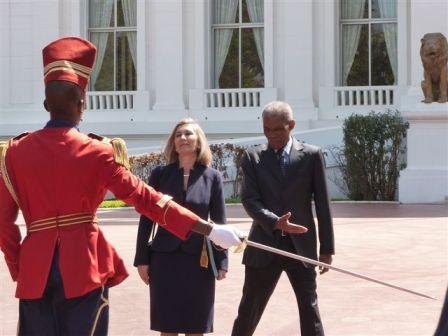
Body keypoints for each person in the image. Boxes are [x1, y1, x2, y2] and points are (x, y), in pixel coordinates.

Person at [0, 37, 242, 336]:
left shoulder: (14, 151)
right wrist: (208, 229)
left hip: (35, 272)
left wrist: (20, 266)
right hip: (84, 268)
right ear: (82, 103)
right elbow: (146, 199)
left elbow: (3, 222)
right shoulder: (98, 151)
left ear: (46, 104)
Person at [231, 101, 335, 336]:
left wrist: (327, 248)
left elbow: (322, 204)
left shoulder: (311, 155)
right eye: (267, 129)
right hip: (264, 244)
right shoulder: (253, 157)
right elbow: (249, 200)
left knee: (310, 310)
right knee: (249, 310)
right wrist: (275, 222)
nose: (272, 135)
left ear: (292, 125)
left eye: (278, 129)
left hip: (301, 247)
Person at [134, 118, 228, 335]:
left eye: (188, 134)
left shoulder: (212, 177)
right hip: (164, 260)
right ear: (173, 143)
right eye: (178, 135)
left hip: (199, 260)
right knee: (167, 325)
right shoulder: (160, 174)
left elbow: (220, 223)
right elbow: (147, 218)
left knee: (197, 324)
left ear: (198, 141)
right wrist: (142, 259)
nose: (183, 138)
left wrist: (222, 260)